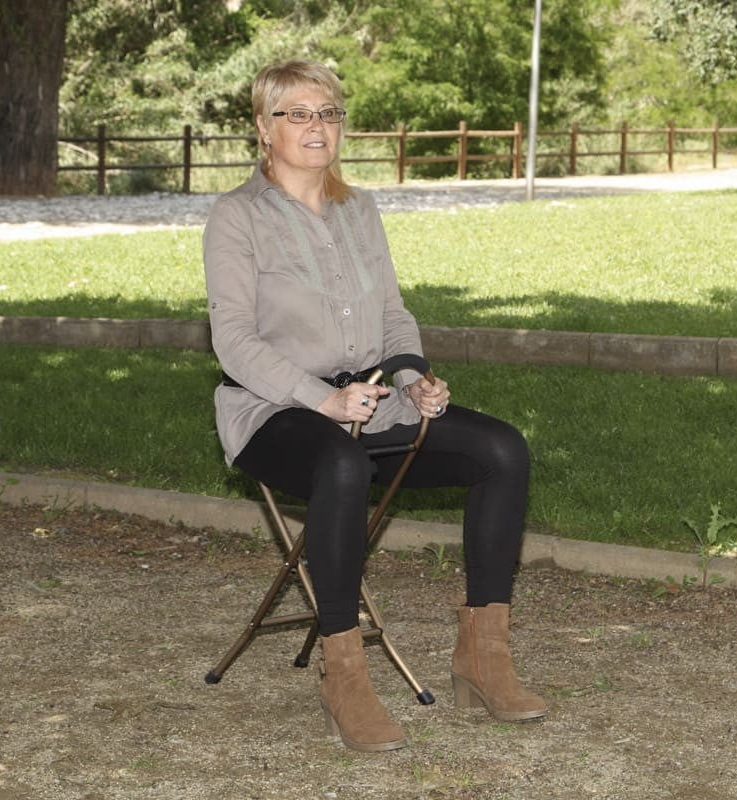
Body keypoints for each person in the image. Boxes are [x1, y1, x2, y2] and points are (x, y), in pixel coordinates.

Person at [203, 59, 546, 753]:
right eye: (298, 113)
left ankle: (483, 660)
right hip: (274, 409)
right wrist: (322, 399)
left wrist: (414, 378)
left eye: (328, 113)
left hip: (373, 400)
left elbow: (393, 315)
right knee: (341, 464)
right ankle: (345, 678)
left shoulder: (360, 210)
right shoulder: (236, 216)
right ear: (264, 127)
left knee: (502, 450)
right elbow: (233, 342)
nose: (317, 126)